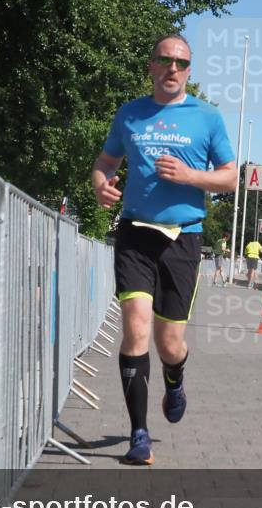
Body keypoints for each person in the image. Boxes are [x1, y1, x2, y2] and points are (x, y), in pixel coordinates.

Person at [91, 34, 237, 465]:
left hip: (183, 237)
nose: (173, 68)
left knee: (169, 342)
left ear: (189, 71)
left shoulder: (207, 117)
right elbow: (105, 162)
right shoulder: (130, 113)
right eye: (165, 60)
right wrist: (100, 184)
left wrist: (191, 177)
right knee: (135, 329)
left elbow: (230, 177)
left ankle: (175, 378)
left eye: (182, 63)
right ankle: (139, 434)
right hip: (135, 233)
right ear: (151, 66)